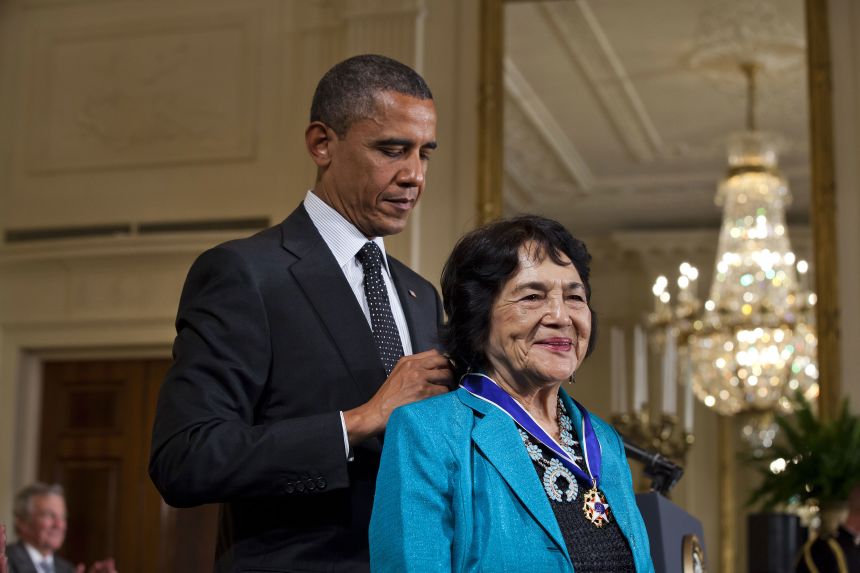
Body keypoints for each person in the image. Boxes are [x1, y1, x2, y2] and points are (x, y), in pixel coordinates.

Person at [148, 54, 453, 572]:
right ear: (322, 143)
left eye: (425, 154)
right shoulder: (244, 274)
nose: (414, 176)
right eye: (392, 150)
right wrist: (359, 421)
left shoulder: (421, 293)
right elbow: (185, 459)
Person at [370, 215, 654, 572]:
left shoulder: (604, 441)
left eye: (575, 297)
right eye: (533, 296)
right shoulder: (429, 431)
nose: (560, 316)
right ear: (479, 318)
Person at [4, 483, 116, 573]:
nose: (59, 525)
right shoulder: (4, 562)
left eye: (63, 517)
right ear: (22, 522)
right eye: (49, 515)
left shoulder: (68, 569)